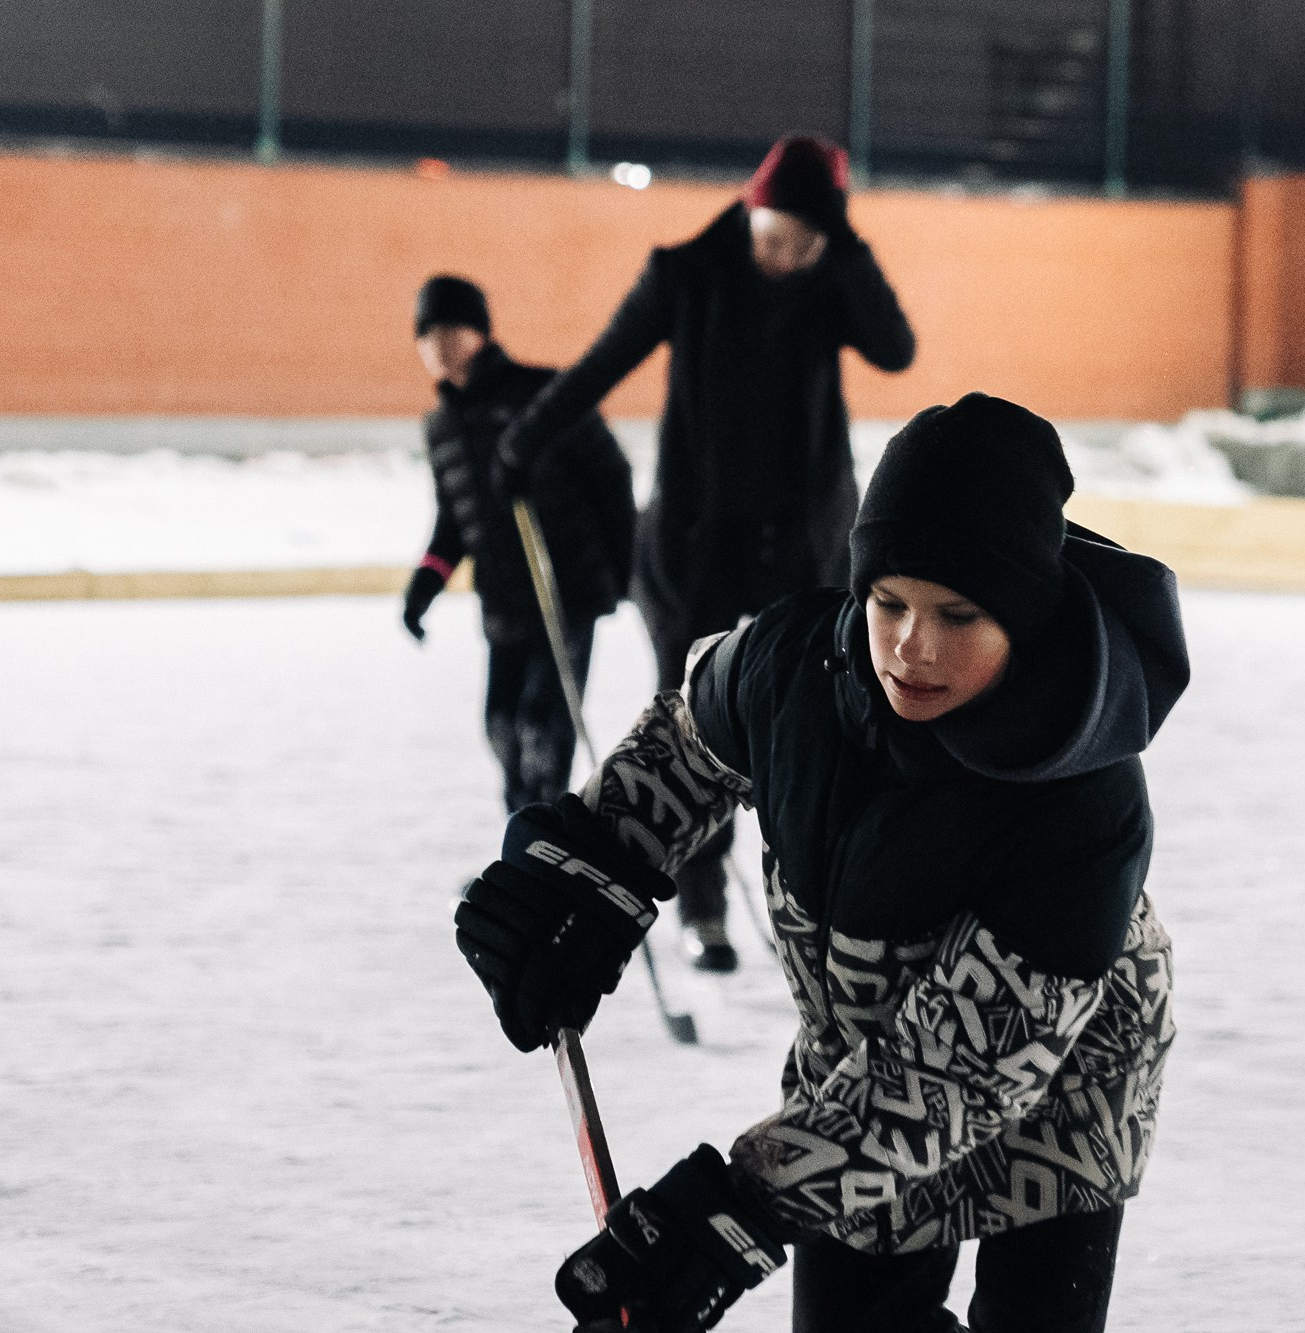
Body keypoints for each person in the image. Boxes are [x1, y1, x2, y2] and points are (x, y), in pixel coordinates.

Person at [455, 394, 1190, 1333]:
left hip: (1063, 1078)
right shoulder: (786, 665)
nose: (912, 646)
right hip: (860, 1056)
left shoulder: (1088, 800)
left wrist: (737, 1206)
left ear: (1024, 616)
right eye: (889, 601)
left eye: (959, 614)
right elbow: (681, 751)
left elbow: (958, 1072)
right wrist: (585, 866)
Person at [493, 134, 917, 971]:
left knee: (808, 728)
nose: (788, 256)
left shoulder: (831, 281)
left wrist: (846, 250)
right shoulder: (683, 274)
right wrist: (522, 443)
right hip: (696, 548)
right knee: (696, 725)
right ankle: (703, 906)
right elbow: (602, 363)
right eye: (777, 236)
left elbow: (895, 348)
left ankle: (815, 905)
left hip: (801, 550)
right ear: (751, 212)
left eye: (807, 242)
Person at [404, 274, 635, 811]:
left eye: (452, 330)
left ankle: (546, 841)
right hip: (502, 599)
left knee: (542, 728)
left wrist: (620, 569)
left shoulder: (543, 395)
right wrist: (424, 587)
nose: (439, 345)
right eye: (427, 335)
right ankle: (523, 838)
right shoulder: (441, 425)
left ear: (480, 332)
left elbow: (612, 475)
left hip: (563, 591)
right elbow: (455, 520)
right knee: (501, 727)